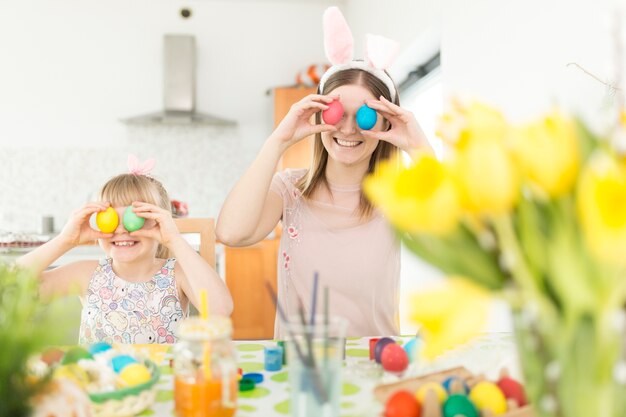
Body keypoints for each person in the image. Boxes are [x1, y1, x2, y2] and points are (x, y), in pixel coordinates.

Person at [216, 7, 431, 337]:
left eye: (364, 117)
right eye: (335, 113)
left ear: (387, 122)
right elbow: (231, 233)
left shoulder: (398, 195)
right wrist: (278, 141)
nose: (348, 129)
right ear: (318, 115)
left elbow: (461, 239)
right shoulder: (290, 188)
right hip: (302, 368)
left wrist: (419, 148)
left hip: (373, 363)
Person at [17, 163, 233, 344]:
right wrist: (65, 241)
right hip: (103, 386)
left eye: (135, 218)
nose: (121, 230)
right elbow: (10, 285)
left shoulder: (176, 274)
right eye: (110, 220)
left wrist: (174, 240)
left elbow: (220, 310)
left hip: (163, 384)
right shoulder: (88, 273)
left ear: (159, 223)